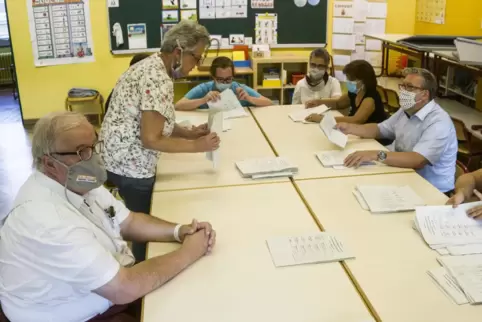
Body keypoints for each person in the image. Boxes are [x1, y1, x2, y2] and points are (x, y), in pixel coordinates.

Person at [0, 111, 216, 322]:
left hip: (109, 291)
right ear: (49, 163)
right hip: (80, 314)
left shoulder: (79, 182)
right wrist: (189, 252)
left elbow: (128, 221)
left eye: (94, 147)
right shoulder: (45, 219)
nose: (93, 158)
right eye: (82, 151)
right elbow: (124, 288)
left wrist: (179, 231)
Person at [101, 21, 219, 262]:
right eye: (195, 58)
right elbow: (151, 138)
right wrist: (197, 147)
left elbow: (153, 121)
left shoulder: (151, 66)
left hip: (115, 157)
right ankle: (141, 276)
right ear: (178, 51)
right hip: (130, 167)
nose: (196, 66)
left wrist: (187, 133)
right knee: (145, 229)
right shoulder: (158, 79)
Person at [336, 67, 457, 195]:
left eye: (409, 87)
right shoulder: (407, 110)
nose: (403, 91)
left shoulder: (438, 122)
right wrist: (350, 128)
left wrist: (376, 154)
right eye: (403, 86)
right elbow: (380, 129)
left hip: (431, 189)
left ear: (425, 94)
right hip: (403, 174)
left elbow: (418, 160)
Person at [305, 60, 387, 127]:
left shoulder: (370, 98)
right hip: (358, 134)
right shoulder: (355, 92)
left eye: (351, 79)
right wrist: (318, 102)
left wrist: (323, 119)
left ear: (363, 81)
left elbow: (356, 121)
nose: (348, 81)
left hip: (375, 141)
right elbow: (338, 103)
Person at [175, 56, 272, 110]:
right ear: (213, 77)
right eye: (220, 79)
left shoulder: (238, 88)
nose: (225, 83)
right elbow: (178, 105)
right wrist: (203, 100)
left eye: (228, 79)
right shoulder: (204, 88)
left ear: (233, 76)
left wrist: (249, 98)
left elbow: (269, 102)